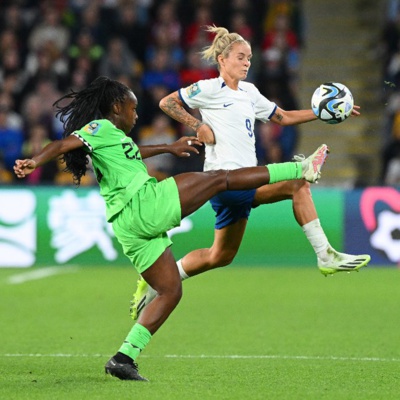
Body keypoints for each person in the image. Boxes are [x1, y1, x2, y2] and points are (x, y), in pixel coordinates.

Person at [14, 76, 329, 381]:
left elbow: (133, 153)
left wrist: (169, 148)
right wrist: (34, 161)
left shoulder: (113, 139)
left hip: (130, 229)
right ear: (115, 108)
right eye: (132, 109)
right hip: (144, 205)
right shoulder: (99, 128)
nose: (136, 115)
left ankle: (123, 358)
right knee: (219, 178)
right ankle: (299, 168)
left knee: (170, 290)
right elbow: (62, 144)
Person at [130, 25, 371, 320]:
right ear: (223, 59)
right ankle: (325, 254)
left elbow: (282, 116)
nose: (247, 63)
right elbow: (167, 102)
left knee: (220, 256)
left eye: (250, 58)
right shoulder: (208, 89)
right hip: (223, 181)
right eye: (241, 57)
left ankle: (158, 280)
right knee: (297, 184)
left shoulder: (249, 92)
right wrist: (198, 126)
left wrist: (323, 112)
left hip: (246, 180)